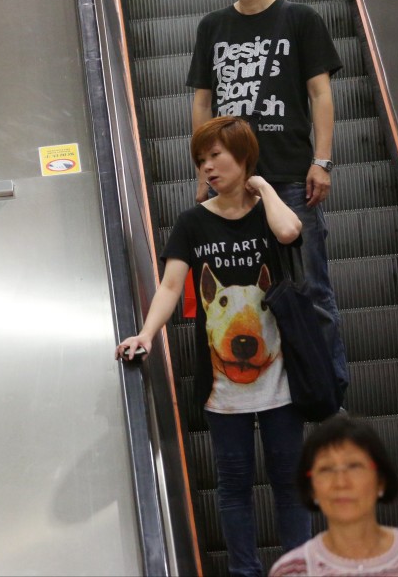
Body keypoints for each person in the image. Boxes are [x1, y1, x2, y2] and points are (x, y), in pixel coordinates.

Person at [117, 117, 310, 577]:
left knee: (288, 482)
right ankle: (245, 572)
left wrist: (261, 185)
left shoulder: (267, 209)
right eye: (201, 160)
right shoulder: (192, 223)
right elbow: (168, 287)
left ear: (243, 157)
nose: (207, 167)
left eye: (216, 156)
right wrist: (145, 334)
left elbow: (288, 232)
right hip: (223, 388)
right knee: (234, 485)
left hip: (282, 376)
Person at [186, 0, 349, 406]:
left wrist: (322, 160)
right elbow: (202, 104)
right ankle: (269, 395)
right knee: (244, 295)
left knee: (311, 290)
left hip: (292, 178)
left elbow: (321, 94)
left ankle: (328, 395)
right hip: (232, 189)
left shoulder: (300, 19)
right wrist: (204, 168)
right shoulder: (213, 27)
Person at [269, 414, 398, 576]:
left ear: (381, 479)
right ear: (311, 488)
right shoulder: (291, 571)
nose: (341, 482)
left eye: (354, 466)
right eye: (326, 469)